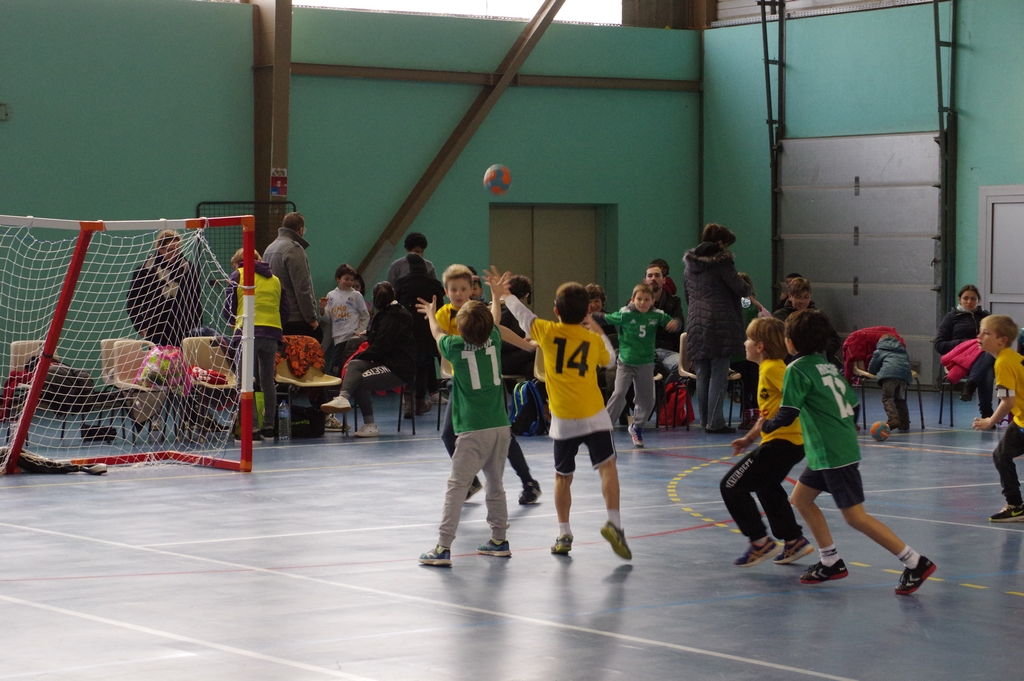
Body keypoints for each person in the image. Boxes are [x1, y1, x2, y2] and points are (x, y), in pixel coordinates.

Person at [760, 309, 936, 595]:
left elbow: (788, 411)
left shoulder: (796, 369)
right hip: (828, 449)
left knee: (855, 517)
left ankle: (914, 562)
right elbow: (853, 404)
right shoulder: (828, 366)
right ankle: (830, 561)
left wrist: (766, 425)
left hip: (832, 453)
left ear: (790, 342)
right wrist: (843, 427)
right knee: (801, 499)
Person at [493, 269, 630, 560]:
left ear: (556, 311)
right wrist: (597, 329)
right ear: (586, 312)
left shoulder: (546, 330)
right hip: (594, 414)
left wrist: (505, 295)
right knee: (608, 468)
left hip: (564, 419)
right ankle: (615, 525)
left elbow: (522, 315)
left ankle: (564, 533)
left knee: (562, 477)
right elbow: (610, 360)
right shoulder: (591, 339)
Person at [416, 299, 513, 567]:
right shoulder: (495, 338)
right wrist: (496, 296)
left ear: (460, 329)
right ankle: (499, 540)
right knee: (495, 484)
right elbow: (494, 319)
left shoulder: (454, 345)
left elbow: (437, 333)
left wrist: (432, 314)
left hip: (473, 429)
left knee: (457, 487)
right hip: (500, 426)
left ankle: (443, 546)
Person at [438, 264, 542, 505]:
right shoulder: (443, 315)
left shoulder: (481, 313)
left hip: (488, 386)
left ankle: (528, 482)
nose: (458, 293)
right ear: (446, 291)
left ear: (472, 290)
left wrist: (527, 345)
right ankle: (472, 482)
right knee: (448, 435)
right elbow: (441, 343)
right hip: (462, 385)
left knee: (504, 435)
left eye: (463, 288)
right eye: (454, 289)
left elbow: (497, 327)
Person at [724, 317, 813, 567]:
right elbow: (766, 414)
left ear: (760, 346)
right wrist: (749, 438)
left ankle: (759, 542)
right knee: (766, 486)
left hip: (783, 443)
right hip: (787, 443)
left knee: (731, 486)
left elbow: (798, 397)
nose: (745, 343)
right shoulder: (766, 369)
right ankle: (793, 540)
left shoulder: (774, 368)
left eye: (749, 339)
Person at [320, 282, 416, 438]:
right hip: (388, 362)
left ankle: (370, 425)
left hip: (398, 370)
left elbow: (379, 348)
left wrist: (360, 353)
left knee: (357, 380)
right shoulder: (395, 313)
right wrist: (370, 335)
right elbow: (384, 339)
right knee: (354, 365)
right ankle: (343, 398)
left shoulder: (390, 318)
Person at [683, 223, 751, 435]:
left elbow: (688, 297)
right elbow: (741, 288)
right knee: (719, 375)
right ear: (720, 243)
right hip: (720, 322)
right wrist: (747, 286)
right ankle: (716, 422)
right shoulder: (723, 262)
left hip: (695, 322)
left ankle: (705, 421)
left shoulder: (689, 265)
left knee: (702, 374)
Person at [223, 248, 288, 442]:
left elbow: (228, 306)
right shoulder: (275, 280)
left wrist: (232, 320)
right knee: (267, 381)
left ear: (239, 263)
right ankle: (269, 426)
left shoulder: (239, 275)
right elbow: (285, 309)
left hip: (248, 332)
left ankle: (252, 429)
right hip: (272, 332)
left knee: (244, 382)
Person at [599, 283, 669, 448]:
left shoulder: (657, 315)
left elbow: (672, 322)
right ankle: (604, 427)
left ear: (653, 301)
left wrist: (675, 324)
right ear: (633, 299)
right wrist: (588, 316)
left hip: (646, 364)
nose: (642, 302)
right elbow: (605, 318)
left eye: (646, 299)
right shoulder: (625, 313)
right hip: (625, 363)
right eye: (639, 299)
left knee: (648, 400)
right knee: (619, 393)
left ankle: (636, 426)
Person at [971, 315, 1024, 522]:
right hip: (1020, 421)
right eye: (980, 331)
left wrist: (989, 421)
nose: (979, 336)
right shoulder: (1011, 356)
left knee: (1002, 456)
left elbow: (1008, 402)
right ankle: (1016, 505)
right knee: (1001, 455)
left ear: (1002, 340)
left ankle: (1015, 505)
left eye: (986, 333)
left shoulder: (1003, 363)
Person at [126, 230, 201, 347]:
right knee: (159, 358)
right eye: (170, 250)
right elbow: (133, 301)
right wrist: (141, 327)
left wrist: (196, 325)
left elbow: (196, 299)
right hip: (155, 328)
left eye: (177, 249)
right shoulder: (145, 270)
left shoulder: (188, 268)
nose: (175, 254)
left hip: (183, 328)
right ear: (160, 249)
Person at [395, 253, 445, 417]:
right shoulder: (435, 284)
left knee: (408, 367)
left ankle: (408, 403)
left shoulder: (401, 283)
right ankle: (420, 403)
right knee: (423, 367)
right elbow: (440, 310)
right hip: (426, 331)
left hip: (406, 332)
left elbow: (396, 307)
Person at [936, 284, 994, 418]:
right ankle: (987, 412)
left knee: (987, 359)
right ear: (959, 299)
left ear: (978, 300)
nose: (969, 302)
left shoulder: (986, 317)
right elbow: (939, 345)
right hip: (959, 361)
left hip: (983, 360)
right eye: (965, 298)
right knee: (986, 368)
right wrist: (964, 343)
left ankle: (972, 386)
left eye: (973, 299)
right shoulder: (951, 317)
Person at [263, 212, 321, 342]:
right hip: (295, 318)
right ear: (300, 230)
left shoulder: (269, 249)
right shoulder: (294, 249)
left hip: (275, 317)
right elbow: (302, 287)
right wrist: (311, 318)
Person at [773, 278, 842, 366]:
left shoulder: (818, 316)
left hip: (817, 362)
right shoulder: (780, 316)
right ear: (790, 296)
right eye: (798, 297)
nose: (802, 301)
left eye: (806, 297)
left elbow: (835, 340)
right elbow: (776, 342)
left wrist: (817, 349)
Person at [644, 264, 684, 378]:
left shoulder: (674, 302)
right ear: (645, 281)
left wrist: (676, 323)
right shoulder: (634, 304)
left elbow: (679, 320)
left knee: (679, 365)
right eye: (650, 276)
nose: (653, 278)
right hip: (644, 352)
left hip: (668, 351)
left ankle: (666, 389)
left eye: (657, 275)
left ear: (664, 280)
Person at [867, 334, 913, 432]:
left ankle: (893, 419)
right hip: (905, 377)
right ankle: (904, 422)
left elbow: (872, 369)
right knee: (899, 398)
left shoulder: (879, 351)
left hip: (889, 376)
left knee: (887, 397)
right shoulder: (903, 351)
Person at [498, 275, 536, 380]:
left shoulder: (504, 309)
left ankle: (532, 390)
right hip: (502, 360)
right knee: (537, 352)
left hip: (508, 358)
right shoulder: (506, 311)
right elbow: (497, 340)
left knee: (532, 367)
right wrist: (521, 343)